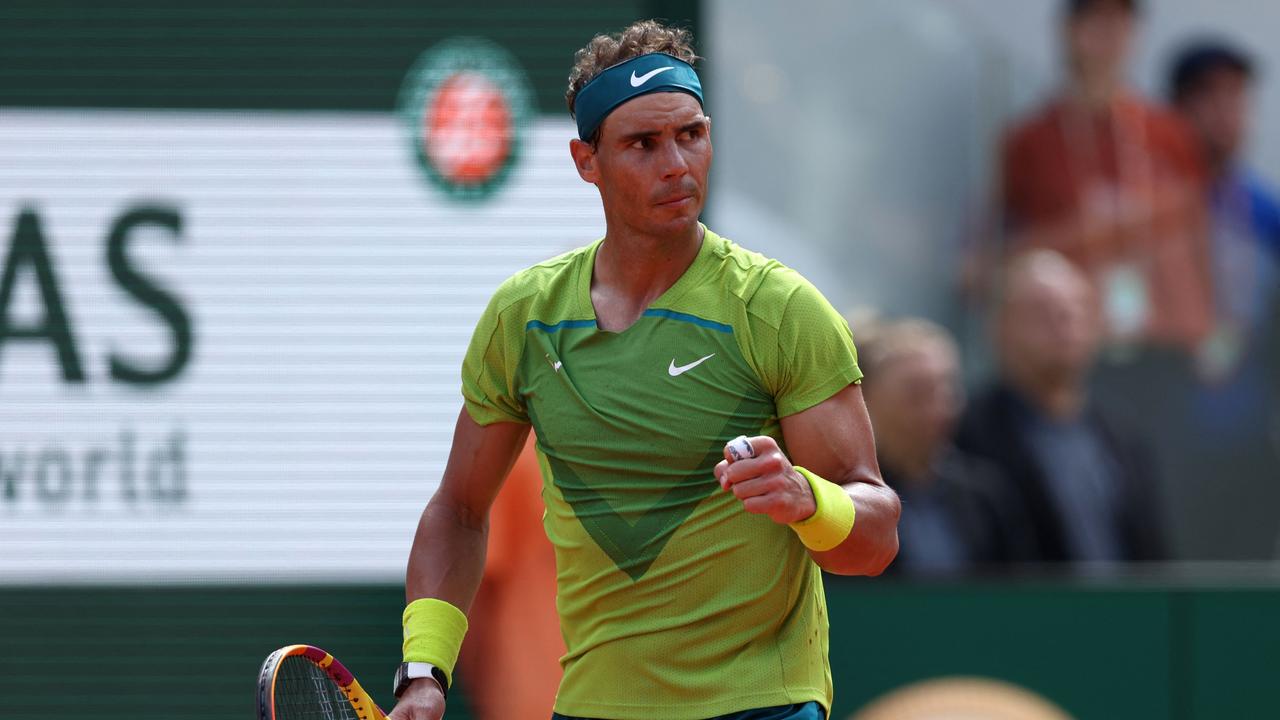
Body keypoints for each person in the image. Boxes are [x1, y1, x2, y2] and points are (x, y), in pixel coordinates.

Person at [387, 20, 900, 720]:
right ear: (585, 160)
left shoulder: (780, 310)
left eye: (691, 135)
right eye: (643, 144)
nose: (677, 165)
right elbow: (459, 510)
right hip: (598, 706)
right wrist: (425, 672)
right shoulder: (524, 319)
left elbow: (875, 539)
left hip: (763, 705)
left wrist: (807, 498)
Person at [1000, 0, 1213, 353]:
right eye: (1095, 21)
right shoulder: (1029, 140)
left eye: (1119, 23)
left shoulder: (1170, 134)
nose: (1107, 37)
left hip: (1160, 337)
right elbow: (1008, 246)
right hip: (1068, 339)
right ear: (1069, 31)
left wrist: (1201, 331)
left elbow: (1196, 246)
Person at [955, 250, 1165, 566]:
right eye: (1042, 313)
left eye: (1079, 310)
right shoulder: (967, 440)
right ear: (999, 328)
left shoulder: (1122, 440)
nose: (1066, 325)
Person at [856, 316, 1034, 576]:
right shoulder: (848, 500)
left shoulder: (985, 494)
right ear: (867, 400)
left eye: (947, 389)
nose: (939, 409)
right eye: (917, 394)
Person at [1169, 39, 1280, 381]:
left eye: (1235, 96)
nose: (1225, 111)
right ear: (1178, 108)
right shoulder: (1145, 202)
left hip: (1242, 401)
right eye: (1210, 97)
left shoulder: (1264, 212)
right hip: (1152, 389)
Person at [454, 435, 563, 720]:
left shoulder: (515, 451)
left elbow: (473, 597)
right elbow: (476, 591)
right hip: (535, 702)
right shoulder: (517, 454)